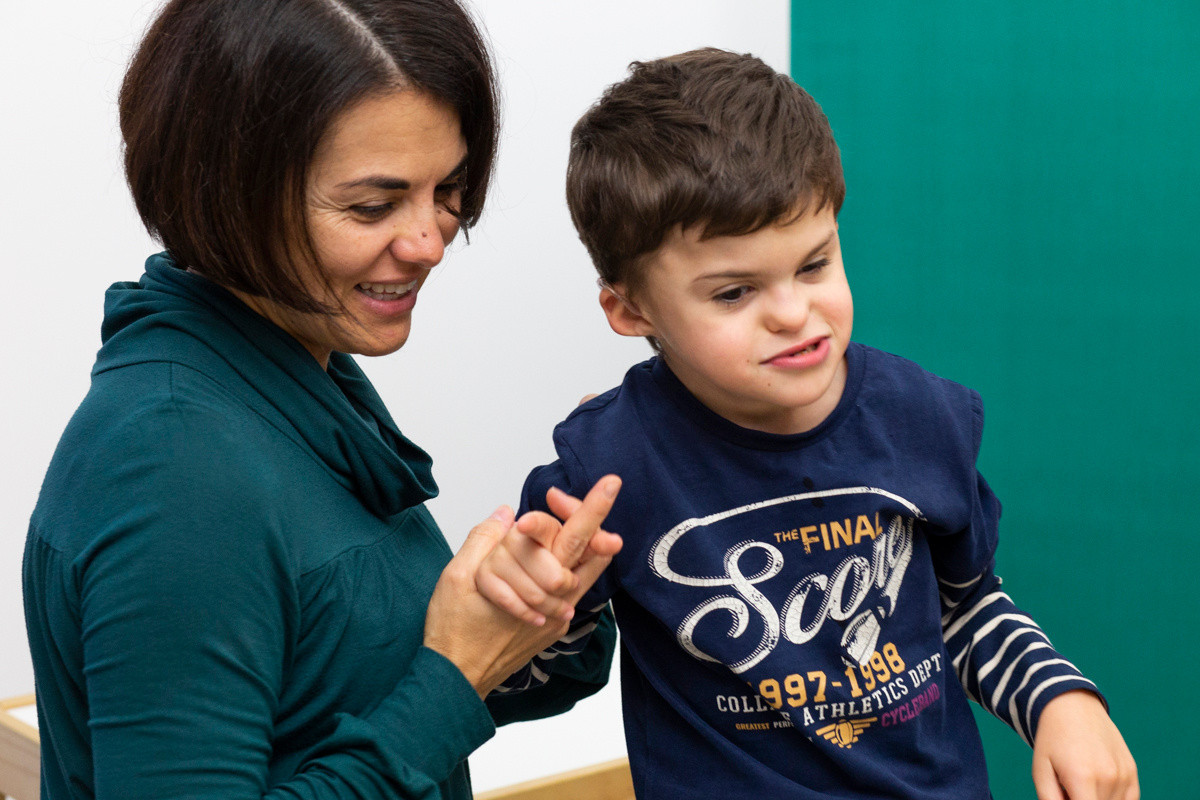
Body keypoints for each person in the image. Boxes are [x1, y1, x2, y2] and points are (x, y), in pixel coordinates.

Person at [487, 49, 1139, 799]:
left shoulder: (921, 418)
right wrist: (540, 606)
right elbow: (518, 678)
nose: (793, 313)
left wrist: (1061, 701)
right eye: (734, 293)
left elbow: (967, 606)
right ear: (631, 310)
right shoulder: (604, 468)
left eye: (814, 264)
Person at [22, 1, 623, 798]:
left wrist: (530, 612)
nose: (429, 242)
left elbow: (337, 692)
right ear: (227, 191)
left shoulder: (293, 374)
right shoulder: (174, 469)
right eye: (372, 206)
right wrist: (454, 671)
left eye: (447, 189)